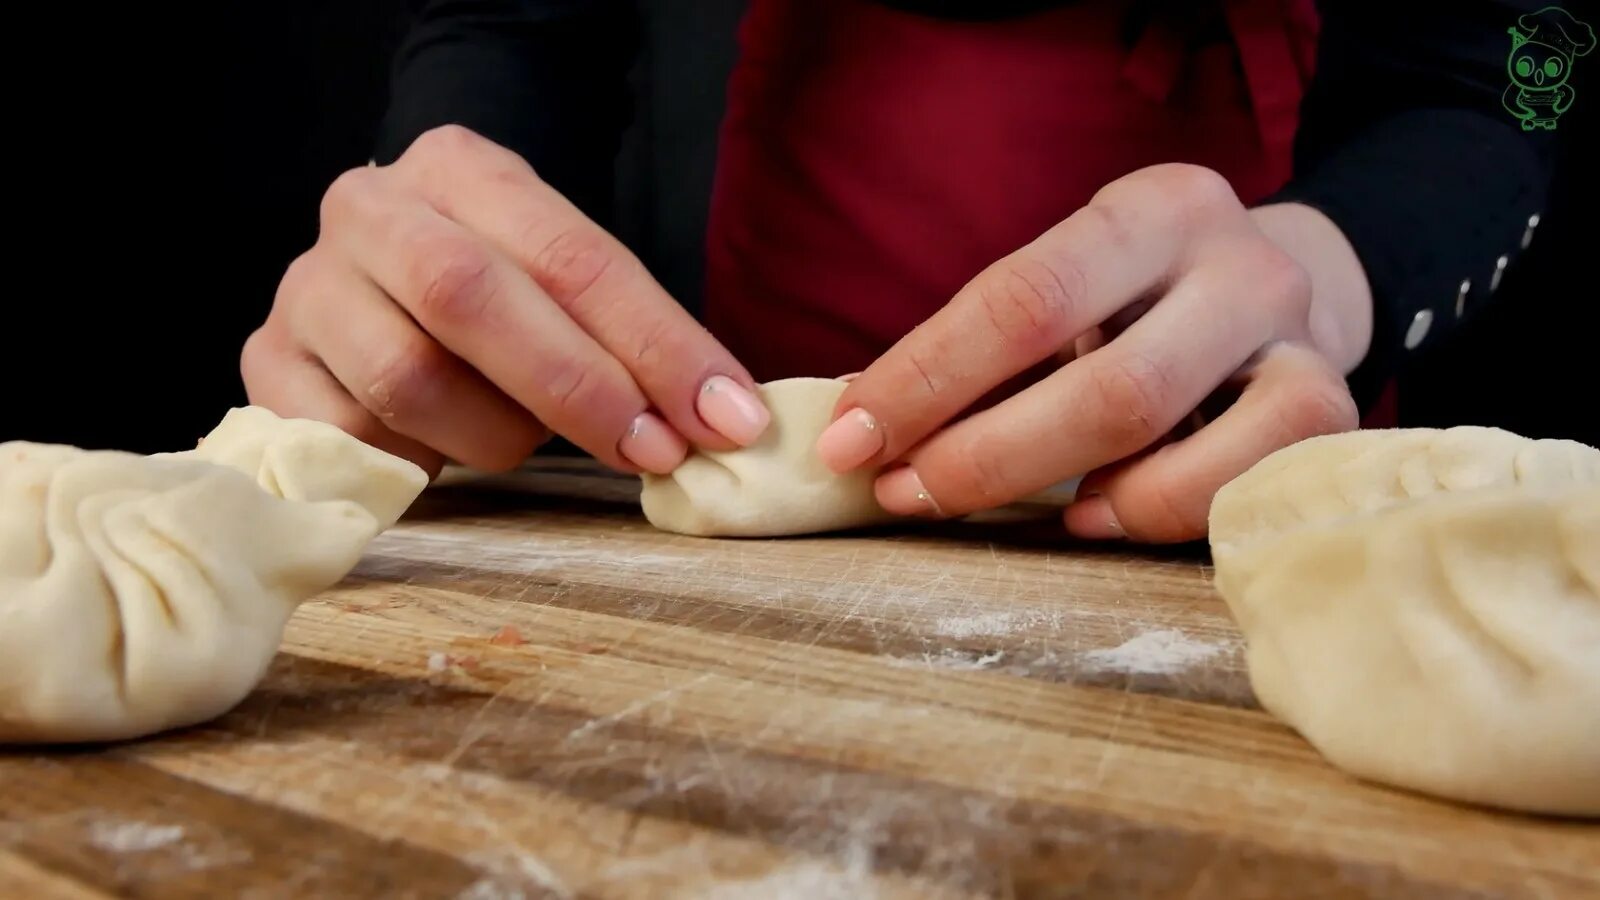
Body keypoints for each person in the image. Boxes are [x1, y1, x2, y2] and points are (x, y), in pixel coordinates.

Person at [240, 0, 1567, 543]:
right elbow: (503, 20)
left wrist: (1332, 270)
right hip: (757, 353)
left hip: (1238, 411)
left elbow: (1528, 62)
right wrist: (446, 243)